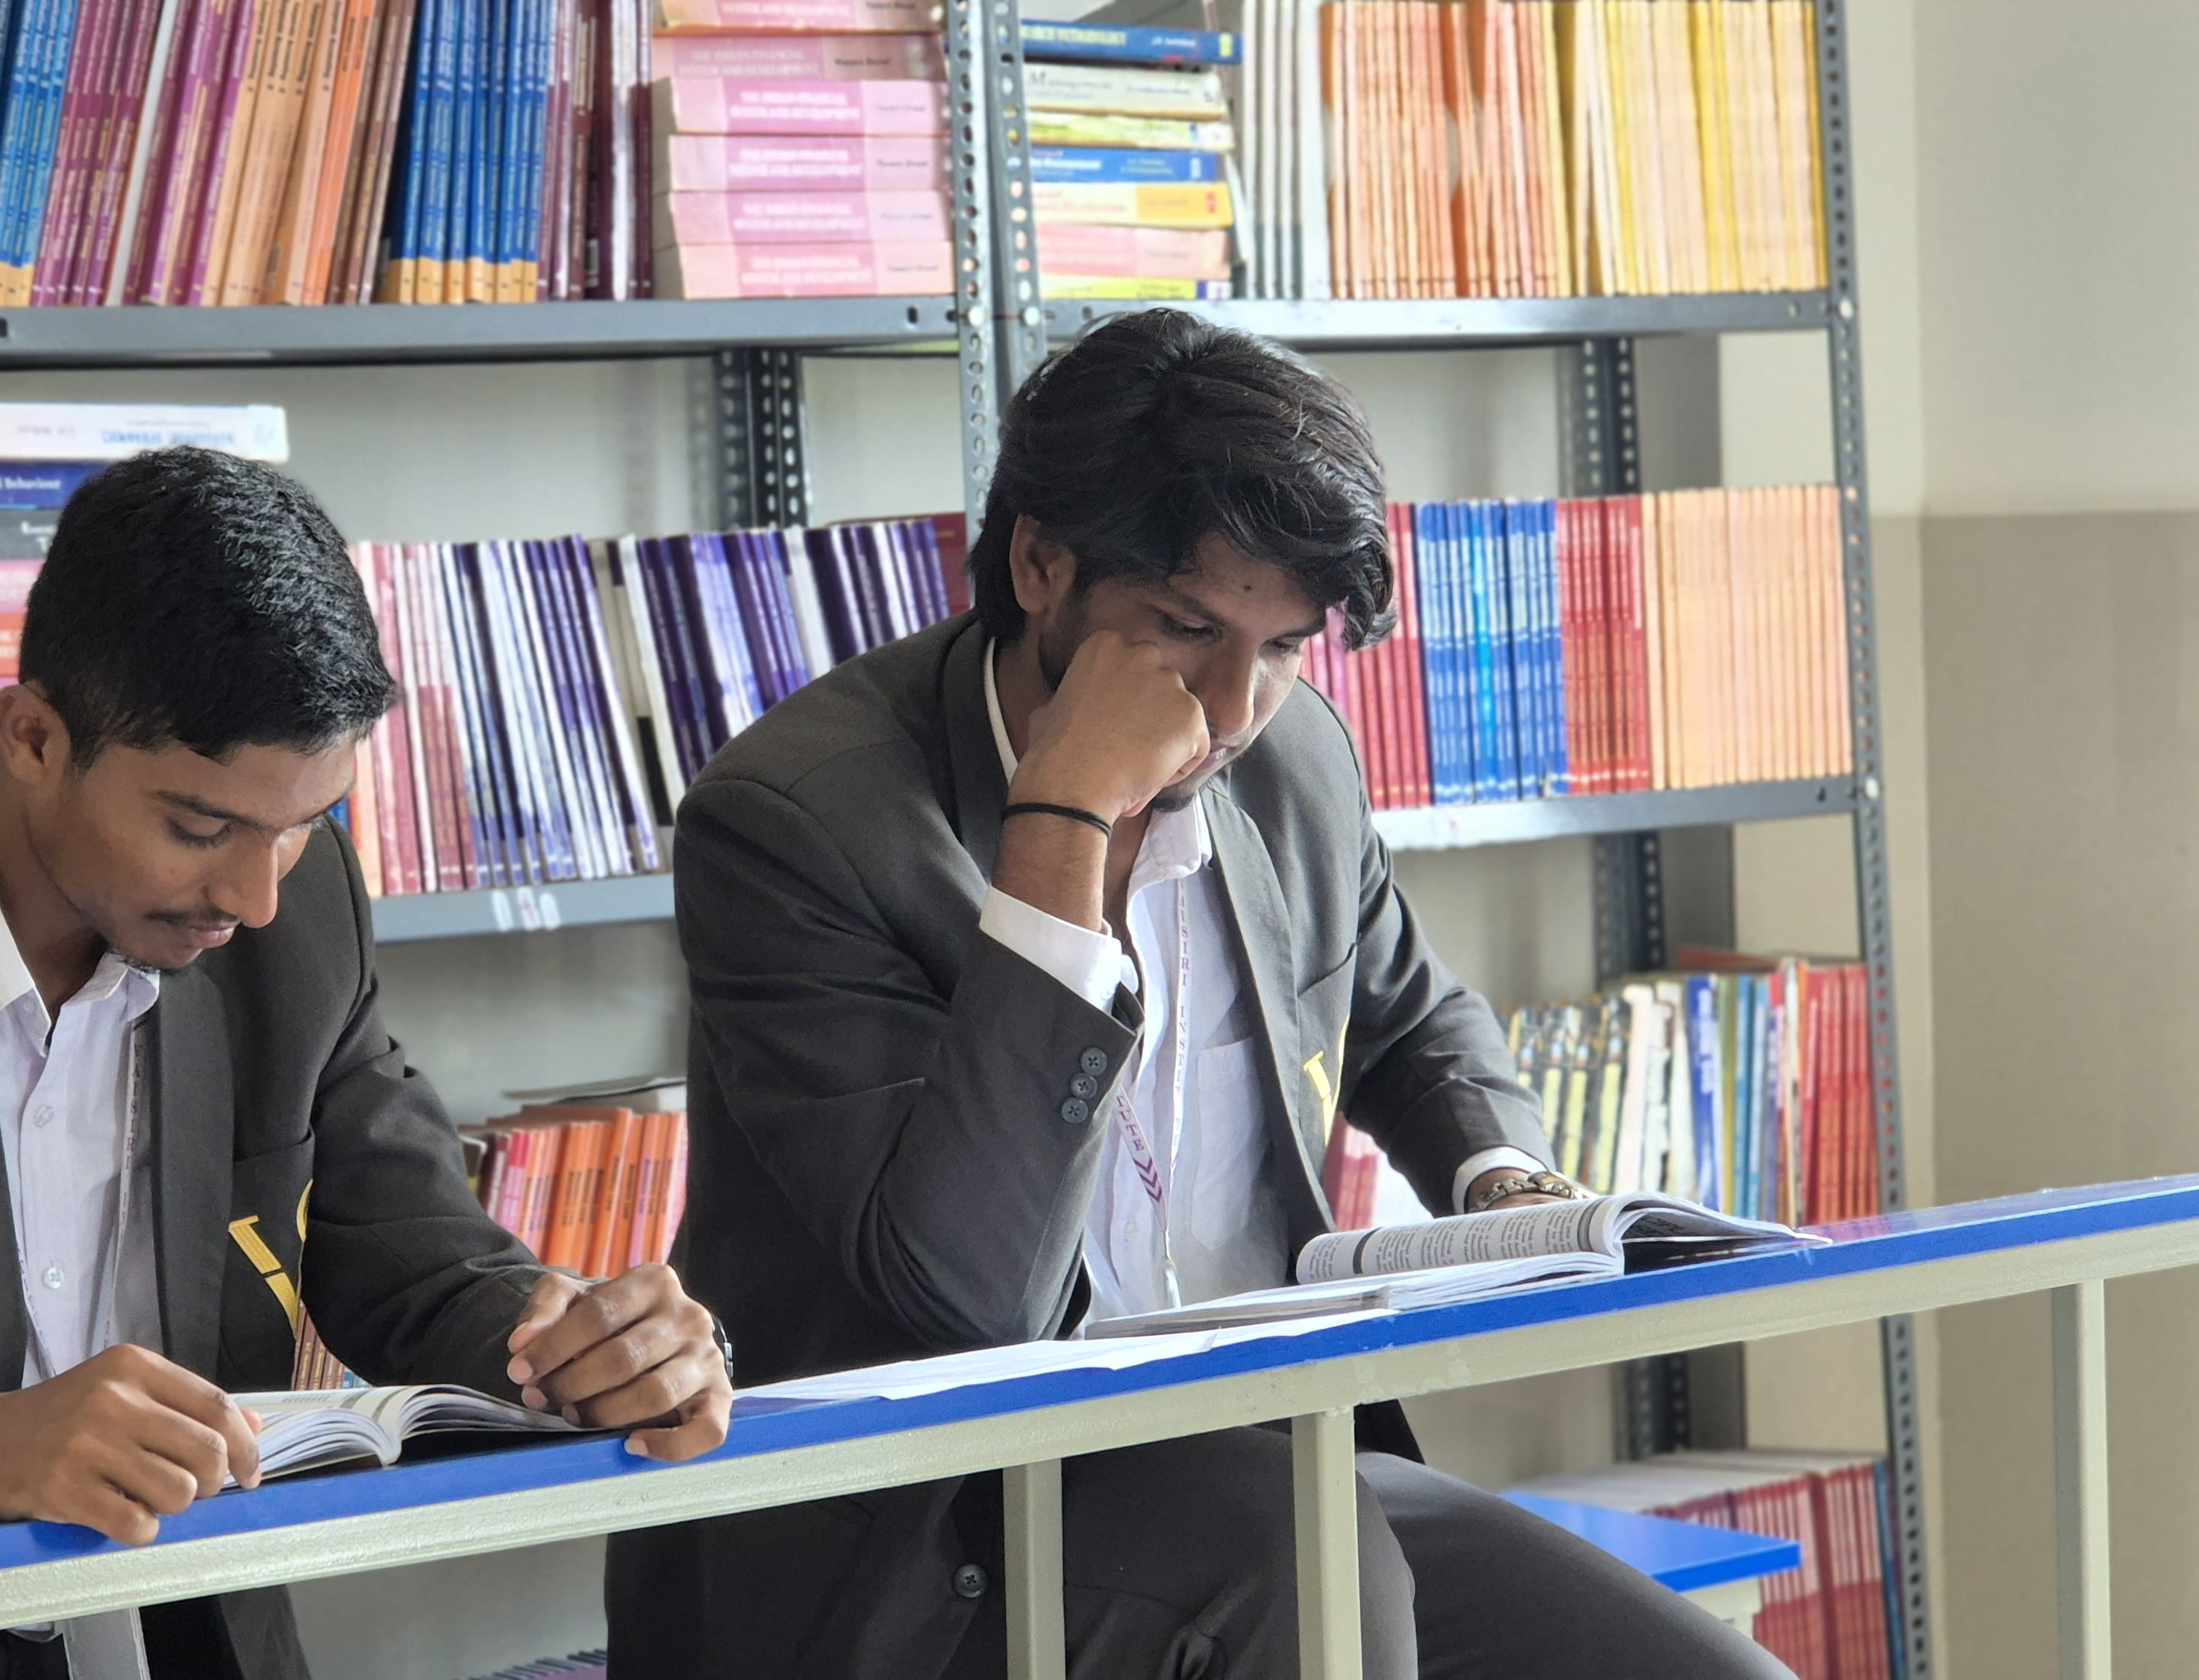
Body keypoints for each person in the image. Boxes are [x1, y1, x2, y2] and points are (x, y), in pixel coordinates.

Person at [607, 312, 1788, 1680]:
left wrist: (1502, 1181)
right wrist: (1063, 816)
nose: (1232, 707)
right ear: (1040, 562)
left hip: (1264, 1456)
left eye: (1285, 646)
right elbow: (964, 1293)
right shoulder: (800, 821)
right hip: (932, 1523)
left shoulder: (1293, 766)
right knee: (1310, 1585)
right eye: (1186, 628)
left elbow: (1407, 1014)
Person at [0, 448, 732, 1680]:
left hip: (200, 1641)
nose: (254, 898)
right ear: (34, 736)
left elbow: (423, 1272)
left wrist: (587, 1349)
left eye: (304, 826)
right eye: (199, 827)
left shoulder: (296, 904)